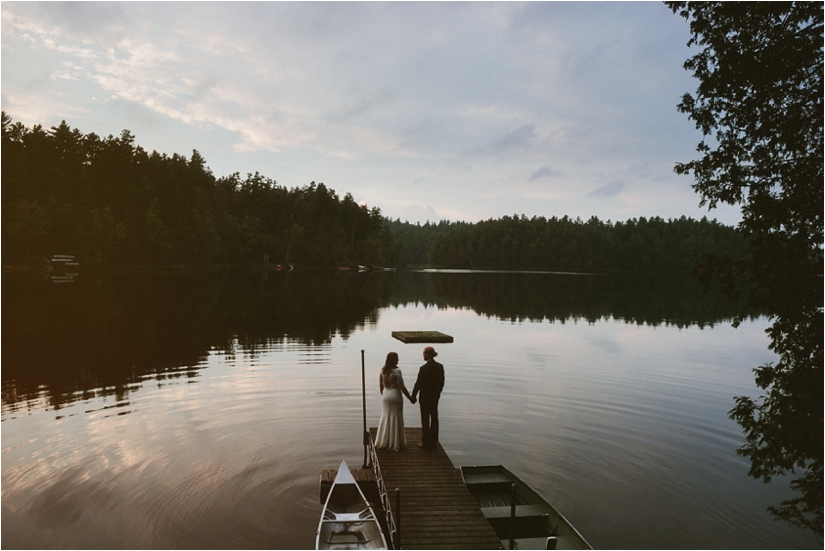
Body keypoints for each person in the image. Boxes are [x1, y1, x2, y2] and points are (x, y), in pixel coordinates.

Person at [375, 352, 414, 451]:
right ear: (393, 360)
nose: (398, 360)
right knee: (396, 417)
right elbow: (402, 387)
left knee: (386, 417)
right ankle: (395, 443)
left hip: (386, 395)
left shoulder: (382, 371)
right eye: (397, 358)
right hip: (395, 394)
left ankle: (384, 441)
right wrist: (410, 398)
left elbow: (381, 385)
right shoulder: (397, 371)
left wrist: (385, 394)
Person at [411, 346, 445, 450]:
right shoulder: (440, 367)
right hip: (434, 397)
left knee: (425, 419)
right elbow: (441, 383)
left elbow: (418, 384)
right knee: (434, 418)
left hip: (425, 398)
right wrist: (438, 394)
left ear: (427, 354)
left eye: (423, 354)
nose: (423, 356)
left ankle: (425, 442)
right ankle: (434, 442)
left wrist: (413, 396)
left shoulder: (424, 368)